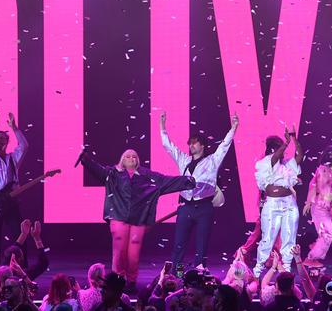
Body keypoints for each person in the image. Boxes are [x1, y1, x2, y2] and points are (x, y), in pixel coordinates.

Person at [78, 149, 195, 290]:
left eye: (134, 156)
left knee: (133, 252)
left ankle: (132, 280)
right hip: (118, 216)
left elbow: (166, 181)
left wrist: (188, 181)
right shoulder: (112, 173)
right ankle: (118, 279)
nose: (131, 158)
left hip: (139, 218)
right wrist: (85, 159)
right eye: (127, 156)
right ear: (122, 159)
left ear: (138, 160)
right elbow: (98, 170)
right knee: (119, 249)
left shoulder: (147, 176)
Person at [159, 111, 239, 270]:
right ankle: (178, 276)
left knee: (201, 247)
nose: (191, 145)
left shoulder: (212, 161)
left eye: (195, 143)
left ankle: (198, 277)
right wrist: (162, 125)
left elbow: (224, 145)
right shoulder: (184, 160)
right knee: (179, 246)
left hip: (204, 208)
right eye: (190, 143)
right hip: (186, 207)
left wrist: (234, 127)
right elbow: (168, 146)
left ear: (202, 145)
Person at [252, 127, 303, 278]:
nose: (284, 152)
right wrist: (286, 142)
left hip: (289, 204)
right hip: (272, 205)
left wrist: (293, 138)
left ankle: (286, 269)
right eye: (281, 147)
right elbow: (275, 157)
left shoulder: (287, 165)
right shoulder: (266, 162)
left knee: (289, 236)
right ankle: (258, 270)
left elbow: (300, 155)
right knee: (268, 237)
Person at [0, 109, 29, 269]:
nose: (0, 141)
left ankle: (21, 264)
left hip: (10, 202)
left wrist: (14, 128)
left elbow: (24, 145)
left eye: (3, 139)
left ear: (7, 142)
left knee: (18, 234)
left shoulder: (12, 159)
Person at [303, 145, 332, 267]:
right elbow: (313, 185)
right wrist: (309, 202)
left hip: (329, 207)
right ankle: (310, 259)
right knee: (328, 234)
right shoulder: (322, 169)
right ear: (330, 155)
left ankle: (318, 245)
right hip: (319, 206)